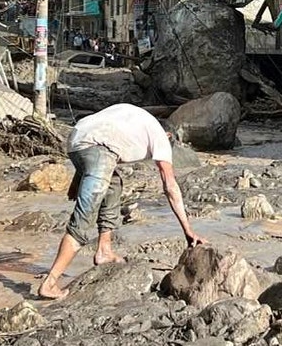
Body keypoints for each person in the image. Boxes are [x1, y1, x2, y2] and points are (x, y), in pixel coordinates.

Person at [38, 104, 205, 299]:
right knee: (83, 220)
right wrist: (188, 230)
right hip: (99, 149)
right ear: (169, 137)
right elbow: (170, 186)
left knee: (114, 185)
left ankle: (104, 250)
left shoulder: (136, 120)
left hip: (75, 139)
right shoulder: (160, 135)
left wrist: (78, 179)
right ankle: (50, 282)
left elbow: (94, 136)